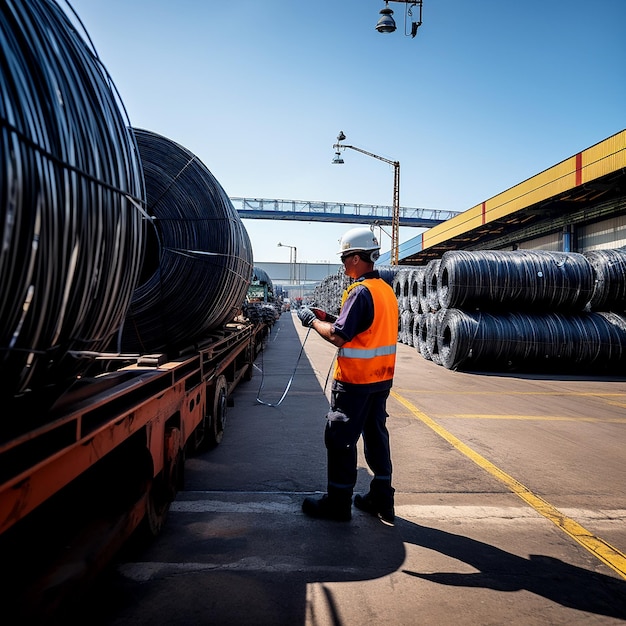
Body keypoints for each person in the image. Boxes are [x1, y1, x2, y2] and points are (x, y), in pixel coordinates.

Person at [297, 226, 398, 525]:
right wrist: (328, 316)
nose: (343, 265)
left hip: (355, 383)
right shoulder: (385, 291)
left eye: (344, 259)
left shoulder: (360, 292)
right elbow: (365, 326)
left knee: (340, 439)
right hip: (380, 380)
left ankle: (338, 503)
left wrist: (313, 322)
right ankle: (382, 498)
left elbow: (340, 337)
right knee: (377, 436)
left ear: (355, 258)